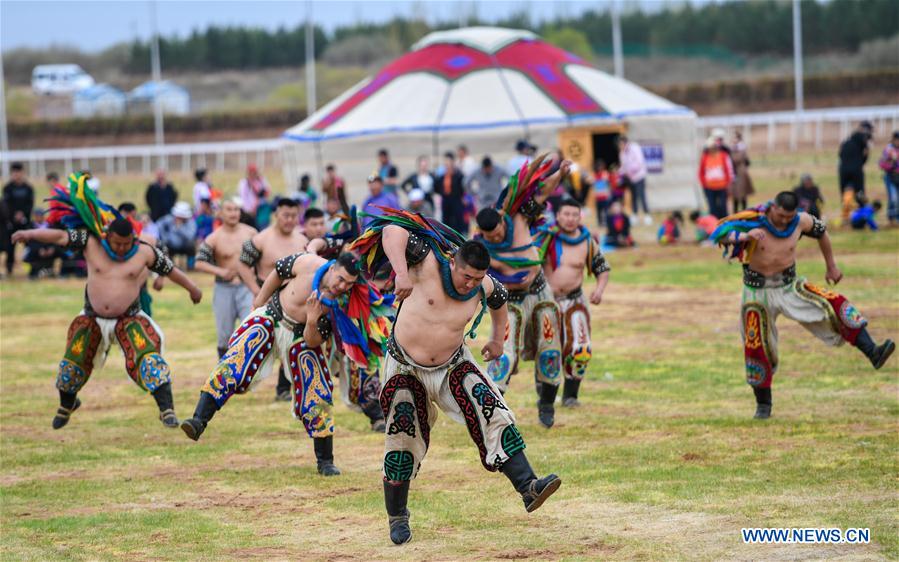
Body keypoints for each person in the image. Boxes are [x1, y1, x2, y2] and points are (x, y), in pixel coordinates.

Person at [348, 211, 561, 545]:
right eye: (466, 276)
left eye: (477, 279)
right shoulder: (426, 258)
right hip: (405, 365)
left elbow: (500, 298)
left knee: (490, 408)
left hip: (452, 363)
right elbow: (391, 230)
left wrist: (497, 339)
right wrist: (402, 274)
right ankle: (397, 516)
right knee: (403, 433)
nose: (470, 284)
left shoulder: (483, 285)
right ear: (453, 263)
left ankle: (529, 487)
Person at [12, 172, 202, 429]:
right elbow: (59, 237)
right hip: (92, 316)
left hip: (129, 317)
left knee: (149, 360)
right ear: (107, 236)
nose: (121, 248)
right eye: (116, 243)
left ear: (132, 239)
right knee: (71, 364)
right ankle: (67, 403)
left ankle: (166, 409)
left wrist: (193, 289)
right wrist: (29, 234)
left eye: (126, 243)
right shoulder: (91, 242)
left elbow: (170, 270)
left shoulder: (144, 252)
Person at [180, 252, 394, 478]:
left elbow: (314, 341)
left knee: (317, 392)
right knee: (235, 364)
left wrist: (312, 319)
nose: (342, 286)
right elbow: (279, 270)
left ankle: (325, 461)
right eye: (340, 279)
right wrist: (258, 303)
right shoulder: (308, 263)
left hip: (303, 337)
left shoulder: (342, 304)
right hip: (272, 316)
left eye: (348, 284)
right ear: (332, 268)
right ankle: (198, 421)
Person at [710, 191, 894, 419]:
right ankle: (763, 406)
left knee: (834, 303)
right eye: (781, 215)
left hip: (789, 286)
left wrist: (831, 266)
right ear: (773, 208)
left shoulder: (802, 220)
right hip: (757, 292)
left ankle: (873, 352)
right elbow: (719, 234)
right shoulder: (753, 220)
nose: (785, 221)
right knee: (756, 344)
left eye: (789, 216)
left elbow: (822, 232)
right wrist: (743, 238)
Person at [475, 155, 568, 428]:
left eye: (496, 233)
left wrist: (559, 173)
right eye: (488, 236)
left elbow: (543, 192)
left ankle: (547, 405)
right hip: (507, 301)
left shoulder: (519, 216)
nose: (493, 238)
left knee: (550, 349)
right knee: (503, 355)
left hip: (540, 294)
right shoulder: (480, 245)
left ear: (503, 220)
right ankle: (493, 414)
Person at [535, 199, 610, 407]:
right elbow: (528, 266)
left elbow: (602, 268)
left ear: (580, 217)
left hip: (575, 301)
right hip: (547, 302)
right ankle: (544, 391)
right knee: (548, 349)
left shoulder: (587, 242)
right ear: (558, 216)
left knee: (581, 347)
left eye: (574, 215)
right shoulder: (544, 238)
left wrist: (599, 290)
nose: (570, 219)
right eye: (566, 214)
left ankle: (571, 395)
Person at [239, 197, 308, 401]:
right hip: (267, 296)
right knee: (258, 342)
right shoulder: (261, 239)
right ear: (276, 215)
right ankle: (241, 380)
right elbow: (242, 265)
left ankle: (284, 388)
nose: (289, 220)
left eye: (294, 216)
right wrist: (256, 293)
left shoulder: (302, 240)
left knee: (292, 344)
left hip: (293, 301)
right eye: (285, 215)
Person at [195, 198, 258, 359]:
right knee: (224, 335)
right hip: (224, 288)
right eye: (229, 209)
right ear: (221, 213)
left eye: (236, 209)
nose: (233, 213)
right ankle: (223, 371)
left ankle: (247, 369)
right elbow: (199, 262)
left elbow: (262, 257)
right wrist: (220, 272)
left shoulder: (251, 233)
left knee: (250, 329)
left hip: (247, 287)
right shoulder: (214, 237)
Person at [3, 162, 35, 275]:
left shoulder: (28, 188)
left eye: (19, 172)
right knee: (9, 247)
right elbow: (6, 205)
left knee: (30, 245)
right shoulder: (7, 188)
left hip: (25, 222)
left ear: (22, 173)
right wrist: (13, 216)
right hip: (11, 223)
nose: (17, 175)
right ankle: (9, 269)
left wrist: (23, 214)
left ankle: (33, 268)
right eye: (14, 172)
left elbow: (30, 204)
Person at [838, 121, 873, 219]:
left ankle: (845, 215)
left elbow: (840, 155)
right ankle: (862, 214)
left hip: (843, 170)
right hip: (856, 171)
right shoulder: (862, 143)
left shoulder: (845, 143)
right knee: (859, 192)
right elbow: (865, 154)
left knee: (845, 192)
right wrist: (861, 162)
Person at [699, 137, 734, 219]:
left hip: (722, 186)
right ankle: (714, 226)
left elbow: (729, 170)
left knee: (723, 208)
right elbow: (701, 172)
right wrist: (704, 184)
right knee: (712, 208)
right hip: (709, 187)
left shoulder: (723, 156)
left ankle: (725, 225)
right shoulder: (705, 157)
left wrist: (729, 184)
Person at [618, 135, 650, 224]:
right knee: (634, 197)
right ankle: (635, 216)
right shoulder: (621, 153)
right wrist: (619, 172)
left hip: (639, 176)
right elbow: (623, 166)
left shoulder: (635, 148)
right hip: (630, 178)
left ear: (625, 143)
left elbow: (640, 162)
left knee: (641, 196)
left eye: (621, 144)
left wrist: (630, 171)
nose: (620, 146)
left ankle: (647, 215)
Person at [157, 202, 198, 269]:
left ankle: (190, 266)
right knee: (162, 245)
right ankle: (167, 265)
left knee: (191, 245)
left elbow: (190, 237)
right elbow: (158, 224)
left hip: (184, 246)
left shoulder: (191, 223)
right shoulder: (169, 219)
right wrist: (164, 237)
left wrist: (180, 228)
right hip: (171, 245)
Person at [23, 208, 60, 279]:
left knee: (58, 251)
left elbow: (54, 239)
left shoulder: (50, 226)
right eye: (37, 216)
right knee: (33, 253)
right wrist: (39, 249)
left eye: (41, 215)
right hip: (35, 249)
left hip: (48, 248)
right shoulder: (30, 226)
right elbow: (29, 242)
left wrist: (52, 248)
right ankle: (34, 272)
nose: (39, 217)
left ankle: (51, 271)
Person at [437, 151, 467, 235]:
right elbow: (438, 187)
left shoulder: (458, 174)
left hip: (456, 199)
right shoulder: (442, 175)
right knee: (446, 220)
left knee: (457, 220)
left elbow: (462, 188)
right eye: (445, 161)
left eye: (448, 161)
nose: (446, 163)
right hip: (446, 199)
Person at [238, 164, 271, 228]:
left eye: (254, 171)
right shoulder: (244, 182)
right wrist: (249, 209)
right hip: (249, 210)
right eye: (251, 172)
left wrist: (262, 192)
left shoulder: (262, 180)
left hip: (262, 208)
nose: (253, 173)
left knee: (262, 226)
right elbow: (243, 197)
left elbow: (268, 191)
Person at [730, 132, 754, 213]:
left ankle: (744, 211)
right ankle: (735, 212)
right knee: (735, 196)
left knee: (742, 195)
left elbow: (737, 159)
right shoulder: (734, 149)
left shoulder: (740, 149)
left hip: (740, 173)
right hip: (735, 173)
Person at [878, 131, 899, 225]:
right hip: (890, 177)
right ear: (894, 140)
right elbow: (881, 163)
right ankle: (891, 218)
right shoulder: (888, 149)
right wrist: (891, 165)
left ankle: (897, 218)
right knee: (893, 198)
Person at [592, 160, 612, 227]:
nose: (600, 168)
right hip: (598, 197)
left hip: (605, 196)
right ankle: (600, 222)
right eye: (599, 167)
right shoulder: (595, 175)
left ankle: (606, 222)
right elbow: (594, 185)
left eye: (601, 167)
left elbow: (608, 183)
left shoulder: (605, 174)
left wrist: (609, 193)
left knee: (606, 211)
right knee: (599, 211)